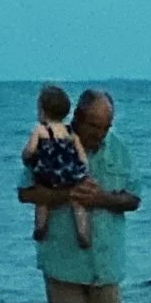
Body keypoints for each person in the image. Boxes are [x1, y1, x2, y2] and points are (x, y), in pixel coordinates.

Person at [18, 88, 141, 303]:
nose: (101, 134)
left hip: (106, 259)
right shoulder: (54, 142)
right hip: (62, 257)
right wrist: (65, 194)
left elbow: (134, 198)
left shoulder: (119, 149)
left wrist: (100, 198)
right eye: (95, 126)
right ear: (78, 120)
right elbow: (25, 192)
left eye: (107, 126)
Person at [21, 85, 92, 249]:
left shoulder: (41, 130)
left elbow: (30, 149)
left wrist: (25, 157)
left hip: (48, 173)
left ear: (42, 111)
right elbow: (81, 153)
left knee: (42, 200)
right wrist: (83, 170)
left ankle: (40, 226)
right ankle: (83, 232)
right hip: (69, 173)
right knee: (77, 203)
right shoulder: (69, 131)